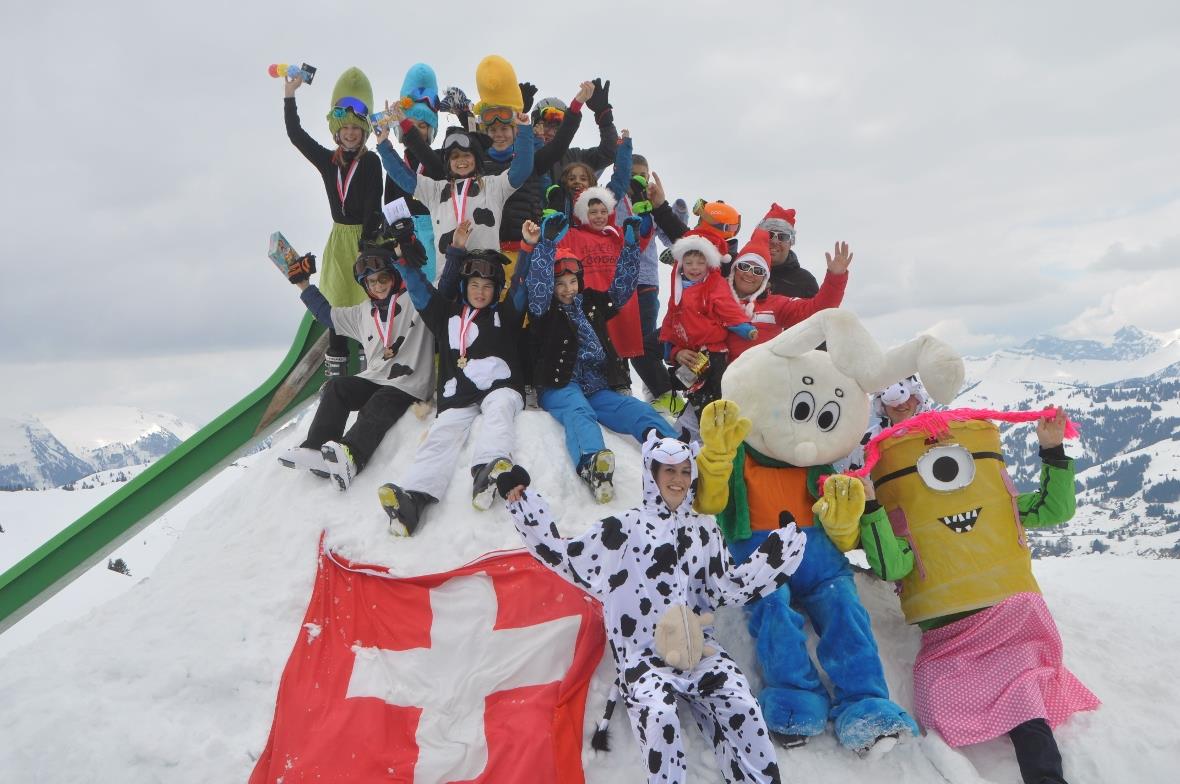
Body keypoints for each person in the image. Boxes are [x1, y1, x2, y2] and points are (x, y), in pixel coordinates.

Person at [498, 420, 808, 784]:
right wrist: (524, 505)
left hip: (700, 652)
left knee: (742, 704)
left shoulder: (704, 530)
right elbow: (565, 556)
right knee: (658, 716)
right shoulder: (622, 530)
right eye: (669, 471)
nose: (677, 479)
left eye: (684, 471)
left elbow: (727, 588)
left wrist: (777, 554)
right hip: (643, 657)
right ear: (652, 473)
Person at [846, 408, 1098, 784]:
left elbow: (1055, 508)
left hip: (1011, 615)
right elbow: (890, 567)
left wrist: (1052, 450)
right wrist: (871, 509)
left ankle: (1045, 776)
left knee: (1022, 692)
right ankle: (960, 764)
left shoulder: (1000, 504)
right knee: (938, 696)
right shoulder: (907, 524)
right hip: (951, 634)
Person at [376, 225, 527, 535]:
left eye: (487, 286)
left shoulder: (505, 313)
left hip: (500, 388)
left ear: (496, 289)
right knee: (439, 437)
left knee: (499, 411)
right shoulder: (446, 314)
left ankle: (488, 470)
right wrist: (403, 260)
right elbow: (420, 291)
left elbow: (522, 284)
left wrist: (526, 247)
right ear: (464, 286)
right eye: (474, 284)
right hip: (456, 396)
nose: (481, 292)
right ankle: (413, 500)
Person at [523, 213, 678, 502]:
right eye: (561, 284)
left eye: (572, 281)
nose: (568, 289)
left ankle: (673, 450)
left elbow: (621, 290)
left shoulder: (590, 303)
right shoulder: (544, 308)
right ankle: (593, 461)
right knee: (579, 412)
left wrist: (631, 249)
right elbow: (538, 286)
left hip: (597, 384)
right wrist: (545, 245)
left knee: (635, 410)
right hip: (560, 384)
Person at [278, 229, 435, 490]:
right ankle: (316, 449)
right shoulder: (364, 312)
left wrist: (403, 254)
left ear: (394, 276)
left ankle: (352, 456)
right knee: (337, 387)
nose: (377, 286)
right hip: (375, 377)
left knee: (379, 402)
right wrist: (304, 284)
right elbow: (328, 316)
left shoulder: (415, 300)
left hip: (408, 383)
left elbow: (426, 287)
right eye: (370, 282)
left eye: (383, 278)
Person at [283, 67, 385, 376]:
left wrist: (366, 246)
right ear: (337, 131)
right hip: (339, 242)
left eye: (357, 127)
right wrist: (290, 95)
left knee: (371, 304)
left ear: (364, 131)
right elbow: (296, 135)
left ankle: (374, 364)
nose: (351, 133)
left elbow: (373, 205)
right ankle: (336, 369)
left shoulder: (370, 161)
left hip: (365, 241)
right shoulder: (329, 161)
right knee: (337, 308)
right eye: (346, 128)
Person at [374, 107, 534, 259]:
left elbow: (522, 169)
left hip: (484, 275)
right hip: (447, 275)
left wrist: (524, 130)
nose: (461, 161)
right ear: (448, 162)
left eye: (467, 155)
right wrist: (383, 145)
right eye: (455, 157)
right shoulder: (435, 190)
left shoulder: (493, 186)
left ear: (476, 159)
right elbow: (402, 174)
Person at [658, 232, 757, 439]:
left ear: (709, 265)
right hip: (692, 354)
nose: (694, 268)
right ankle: (702, 433)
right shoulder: (677, 292)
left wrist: (744, 328)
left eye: (700, 263)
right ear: (681, 264)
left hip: (713, 352)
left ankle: (717, 434)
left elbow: (726, 306)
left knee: (716, 393)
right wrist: (671, 349)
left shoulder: (713, 285)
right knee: (690, 388)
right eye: (689, 262)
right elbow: (670, 321)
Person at [725, 229, 852, 361]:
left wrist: (836, 277)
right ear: (735, 268)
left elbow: (819, 308)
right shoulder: (713, 297)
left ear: (765, 277)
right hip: (716, 379)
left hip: (763, 378)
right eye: (744, 266)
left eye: (758, 270)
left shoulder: (777, 305)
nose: (749, 274)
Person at [616, 155, 680, 415]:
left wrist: (675, 212)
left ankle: (658, 392)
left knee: (644, 340)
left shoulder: (651, 204)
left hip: (646, 279)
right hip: (617, 278)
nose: (637, 180)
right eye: (633, 175)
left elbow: (670, 239)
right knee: (616, 335)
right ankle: (619, 386)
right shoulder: (612, 200)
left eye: (643, 175)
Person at [379, 62, 447, 282]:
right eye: (412, 124)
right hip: (405, 238)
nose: (418, 131)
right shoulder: (397, 164)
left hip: (435, 236)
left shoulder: (439, 159)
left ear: (432, 130)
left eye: (423, 125)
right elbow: (389, 204)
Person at [531, 76, 619, 185]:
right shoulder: (519, 153)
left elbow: (609, 153)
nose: (551, 132)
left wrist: (604, 118)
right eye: (546, 125)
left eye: (558, 128)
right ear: (533, 124)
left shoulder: (574, 158)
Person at [757, 204, 820, 298]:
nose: (774, 241)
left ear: (791, 243)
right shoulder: (741, 270)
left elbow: (820, 310)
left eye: (782, 237)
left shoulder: (805, 281)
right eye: (769, 234)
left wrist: (835, 278)